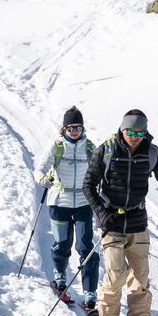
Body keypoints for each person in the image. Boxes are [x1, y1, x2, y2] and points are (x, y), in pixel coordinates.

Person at [84, 108, 158, 316]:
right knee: (116, 274)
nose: (134, 136)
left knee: (140, 281)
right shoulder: (108, 149)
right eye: (130, 131)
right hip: (111, 222)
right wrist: (102, 213)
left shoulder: (152, 153)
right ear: (122, 129)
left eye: (140, 132)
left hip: (137, 222)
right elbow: (88, 184)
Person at [35, 106, 98, 305]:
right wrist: (43, 179)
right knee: (62, 242)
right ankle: (60, 275)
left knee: (85, 246)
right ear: (64, 129)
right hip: (59, 201)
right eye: (70, 128)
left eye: (78, 127)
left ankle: (90, 292)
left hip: (83, 203)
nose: (74, 131)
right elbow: (39, 169)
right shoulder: (57, 146)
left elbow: (98, 171)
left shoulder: (89, 147)